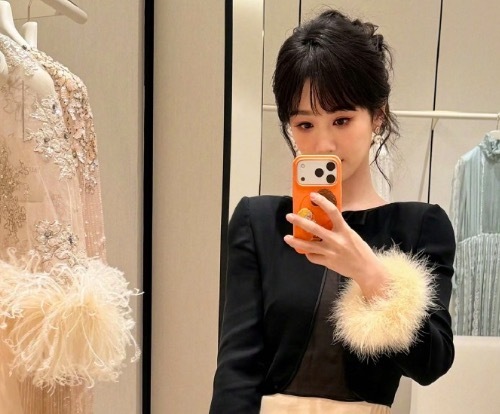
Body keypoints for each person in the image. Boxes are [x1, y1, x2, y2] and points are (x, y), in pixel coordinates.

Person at [210, 9, 455, 414]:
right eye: (305, 125)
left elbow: (433, 363)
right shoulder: (259, 222)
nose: (324, 144)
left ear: (378, 117)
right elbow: (236, 371)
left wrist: (368, 272)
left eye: (341, 120)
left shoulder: (421, 226)